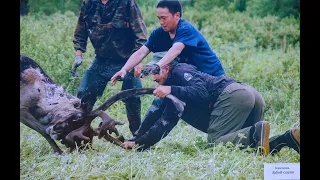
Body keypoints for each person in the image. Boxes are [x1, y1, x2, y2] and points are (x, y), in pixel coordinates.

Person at [117, 61, 300, 156]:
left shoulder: (180, 72)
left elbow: (201, 93)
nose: (154, 78)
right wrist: (138, 140)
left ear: (166, 68)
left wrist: (171, 88)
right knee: (252, 147)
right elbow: (162, 120)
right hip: (250, 94)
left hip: (235, 95)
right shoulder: (172, 88)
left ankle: (256, 131)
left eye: (155, 73)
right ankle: (287, 138)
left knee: (216, 141)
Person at [111, 0, 225, 137]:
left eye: (164, 18)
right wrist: (125, 69)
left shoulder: (186, 29)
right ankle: (139, 137)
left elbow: (176, 50)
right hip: (190, 78)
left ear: (177, 15)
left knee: (213, 118)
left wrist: (157, 66)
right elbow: (142, 52)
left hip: (213, 79)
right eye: (159, 18)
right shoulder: (159, 34)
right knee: (162, 100)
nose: (161, 22)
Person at [71, 0, 148, 135]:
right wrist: (78, 55)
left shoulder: (127, 3)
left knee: (133, 97)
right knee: (84, 95)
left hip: (127, 60)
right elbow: (81, 30)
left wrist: (138, 62)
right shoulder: (88, 3)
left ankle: (138, 137)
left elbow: (140, 34)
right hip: (101, 61)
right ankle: (80, 132)